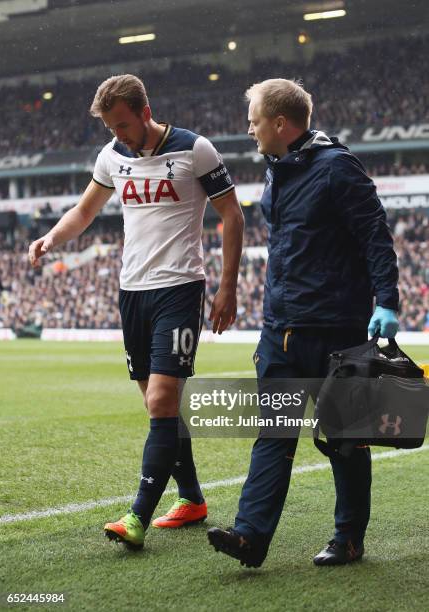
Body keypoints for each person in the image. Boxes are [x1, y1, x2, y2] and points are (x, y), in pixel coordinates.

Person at [28, 74, 244, 550]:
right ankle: (191, 499)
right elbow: (84, 213)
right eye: (111, 127)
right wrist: (51, 239)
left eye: (123, 125)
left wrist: (227, 287)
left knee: (163, 400)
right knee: (158, 407)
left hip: (180, 288)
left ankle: (137, 517)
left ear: (146, 112)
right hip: (132, 292)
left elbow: (233, 214)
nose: (117, 135)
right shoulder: (112, 157)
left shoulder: (195, 150)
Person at [207, 78, 399, 568]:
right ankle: (250, 536)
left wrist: (388, 301)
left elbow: (376, 236)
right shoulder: (277, 169)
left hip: (336, 329)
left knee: (345, 439)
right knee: (274, 433)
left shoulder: (337, 168)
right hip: (282, 330)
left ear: (279, 123)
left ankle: (348, 539)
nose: (248, 129)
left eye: (253, 120)